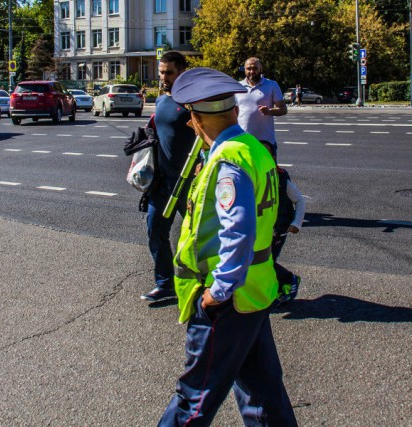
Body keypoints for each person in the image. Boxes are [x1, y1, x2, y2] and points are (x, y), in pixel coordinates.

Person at [158, 67, 298, 426]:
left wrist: (216, 293)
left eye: (191, 118)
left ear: (197, 119)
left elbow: (238, 232)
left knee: (193, 400)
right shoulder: (253, 147)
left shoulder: (227, 161)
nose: (191, 126)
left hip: (229, 302)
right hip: (254, 290)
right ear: (235, 111)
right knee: (263, 396)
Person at [140, 51, 196, 302]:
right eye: (161, 72)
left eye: (169, 72)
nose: (163, 77)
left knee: (201, 236)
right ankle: (164, 284)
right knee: (155, 233)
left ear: (182, 72)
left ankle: (212, 284)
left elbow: (208, 138)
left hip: (187, 184)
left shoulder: (193, 103)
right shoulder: (161, 102)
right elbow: (156, 134)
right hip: (161, 184)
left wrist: (202, 164)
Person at [260, 142, 305, 307]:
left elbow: (299, 200)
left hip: (278, 229)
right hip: (262, 228)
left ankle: (288, 280)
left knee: (266, 261)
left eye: (267, 154)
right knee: (261, 261)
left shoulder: (280, 177)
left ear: (273, 157)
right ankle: (271, 289)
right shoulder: (254, 173)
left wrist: (297, 223)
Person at [236, 57, 287, 153]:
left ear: (261, 69)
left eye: (255, 68)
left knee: (269, 168)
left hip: (266, 142)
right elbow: (234, 113)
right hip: (243, 141)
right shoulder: (238, 87)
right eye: (249, 69)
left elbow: (283, 109)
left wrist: (269, 111)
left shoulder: (272, 85)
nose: (252, 71)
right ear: (244, 69)